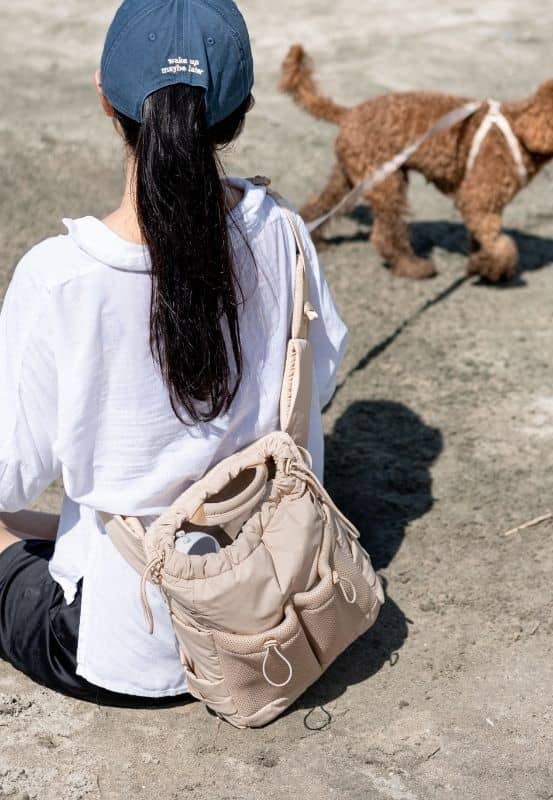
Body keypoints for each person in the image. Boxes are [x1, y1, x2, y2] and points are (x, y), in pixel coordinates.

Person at [0, 0, 347, 706]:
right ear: (241, 109)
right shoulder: (283, 231)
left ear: (105, 95)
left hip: (122, 649)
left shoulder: (60, 275)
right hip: (269, 597)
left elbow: (6, 475)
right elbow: (325, 372)